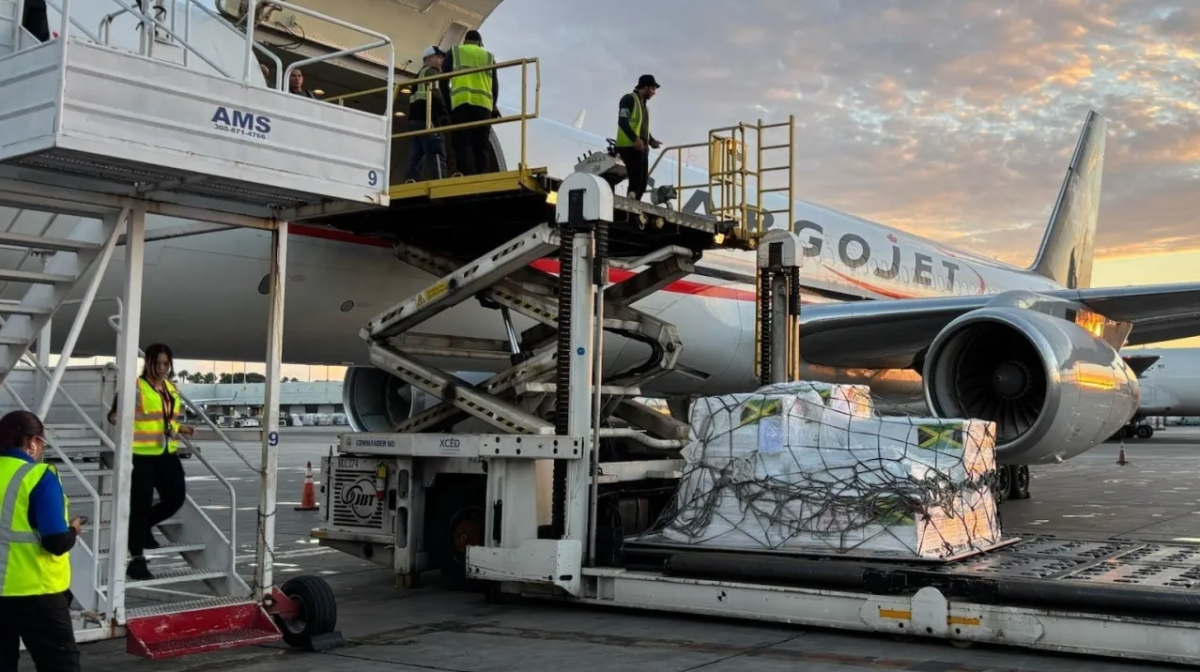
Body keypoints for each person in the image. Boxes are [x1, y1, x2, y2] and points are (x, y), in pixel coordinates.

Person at [0, 410, 83, 672]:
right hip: (37, 593)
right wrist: (73, 530)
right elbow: (55, 542)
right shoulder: (39, 476)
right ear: (33, 442)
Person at [106, 343, 196, 580]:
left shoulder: (171, 388)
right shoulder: (135, 388)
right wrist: (118, 418)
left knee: (176, 497)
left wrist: (181, 428)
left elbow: (164, 420)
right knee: (139, 506)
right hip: (141, 456)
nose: (162, 368)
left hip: (166, 452)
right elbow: (114, 415)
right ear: (148, 363)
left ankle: (144, 527)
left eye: (166, 364)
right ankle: (136, 560)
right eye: (157, 363)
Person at [439, 30, 498, 176]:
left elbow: (443, 81)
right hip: (483, 106)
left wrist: (448, 104)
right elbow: (494, 87)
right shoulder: (489, 57)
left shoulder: (455, 52)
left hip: (461, 104)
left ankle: (464, 174)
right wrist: (492, 107)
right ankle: (481, 174)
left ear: (465, 41)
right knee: (481, 144)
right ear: (479, 43)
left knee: (462, 142)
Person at [404, 46, 450, 182]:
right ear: (429, 58)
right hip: (427, 119)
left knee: (416, 155)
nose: (442, 60)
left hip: (415, 120)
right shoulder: (431, 71)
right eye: (439, 57)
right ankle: (440, 182)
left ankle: (410, 182)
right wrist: (444, 114)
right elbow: (435, 93)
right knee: (436, 150)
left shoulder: (418, 75)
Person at [615, 74, 663, 202]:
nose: (654, 93)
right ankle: (631, 203)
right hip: (629, 146)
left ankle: (635, 203)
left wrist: (651, 140)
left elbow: (642, 127)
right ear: (645, 87)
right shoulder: (629, 99)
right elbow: (622, 122)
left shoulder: (643, 105)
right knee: (636, 178)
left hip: (641, 147)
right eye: (653, 89)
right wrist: (635, 139)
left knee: (643, 180)